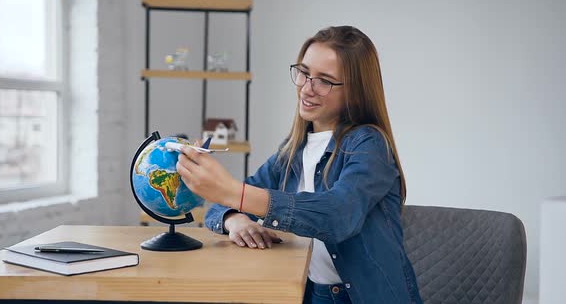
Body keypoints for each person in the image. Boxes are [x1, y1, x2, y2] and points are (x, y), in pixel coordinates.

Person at [176, 26, 423, 304]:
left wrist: (234, 193)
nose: (307, 88)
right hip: (311, 294)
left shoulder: (369, 144)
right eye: (304, 73)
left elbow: (338, 216)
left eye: (325, 81)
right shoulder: (293, 151)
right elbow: (223, 204)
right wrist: (235, 219)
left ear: (355, 92)